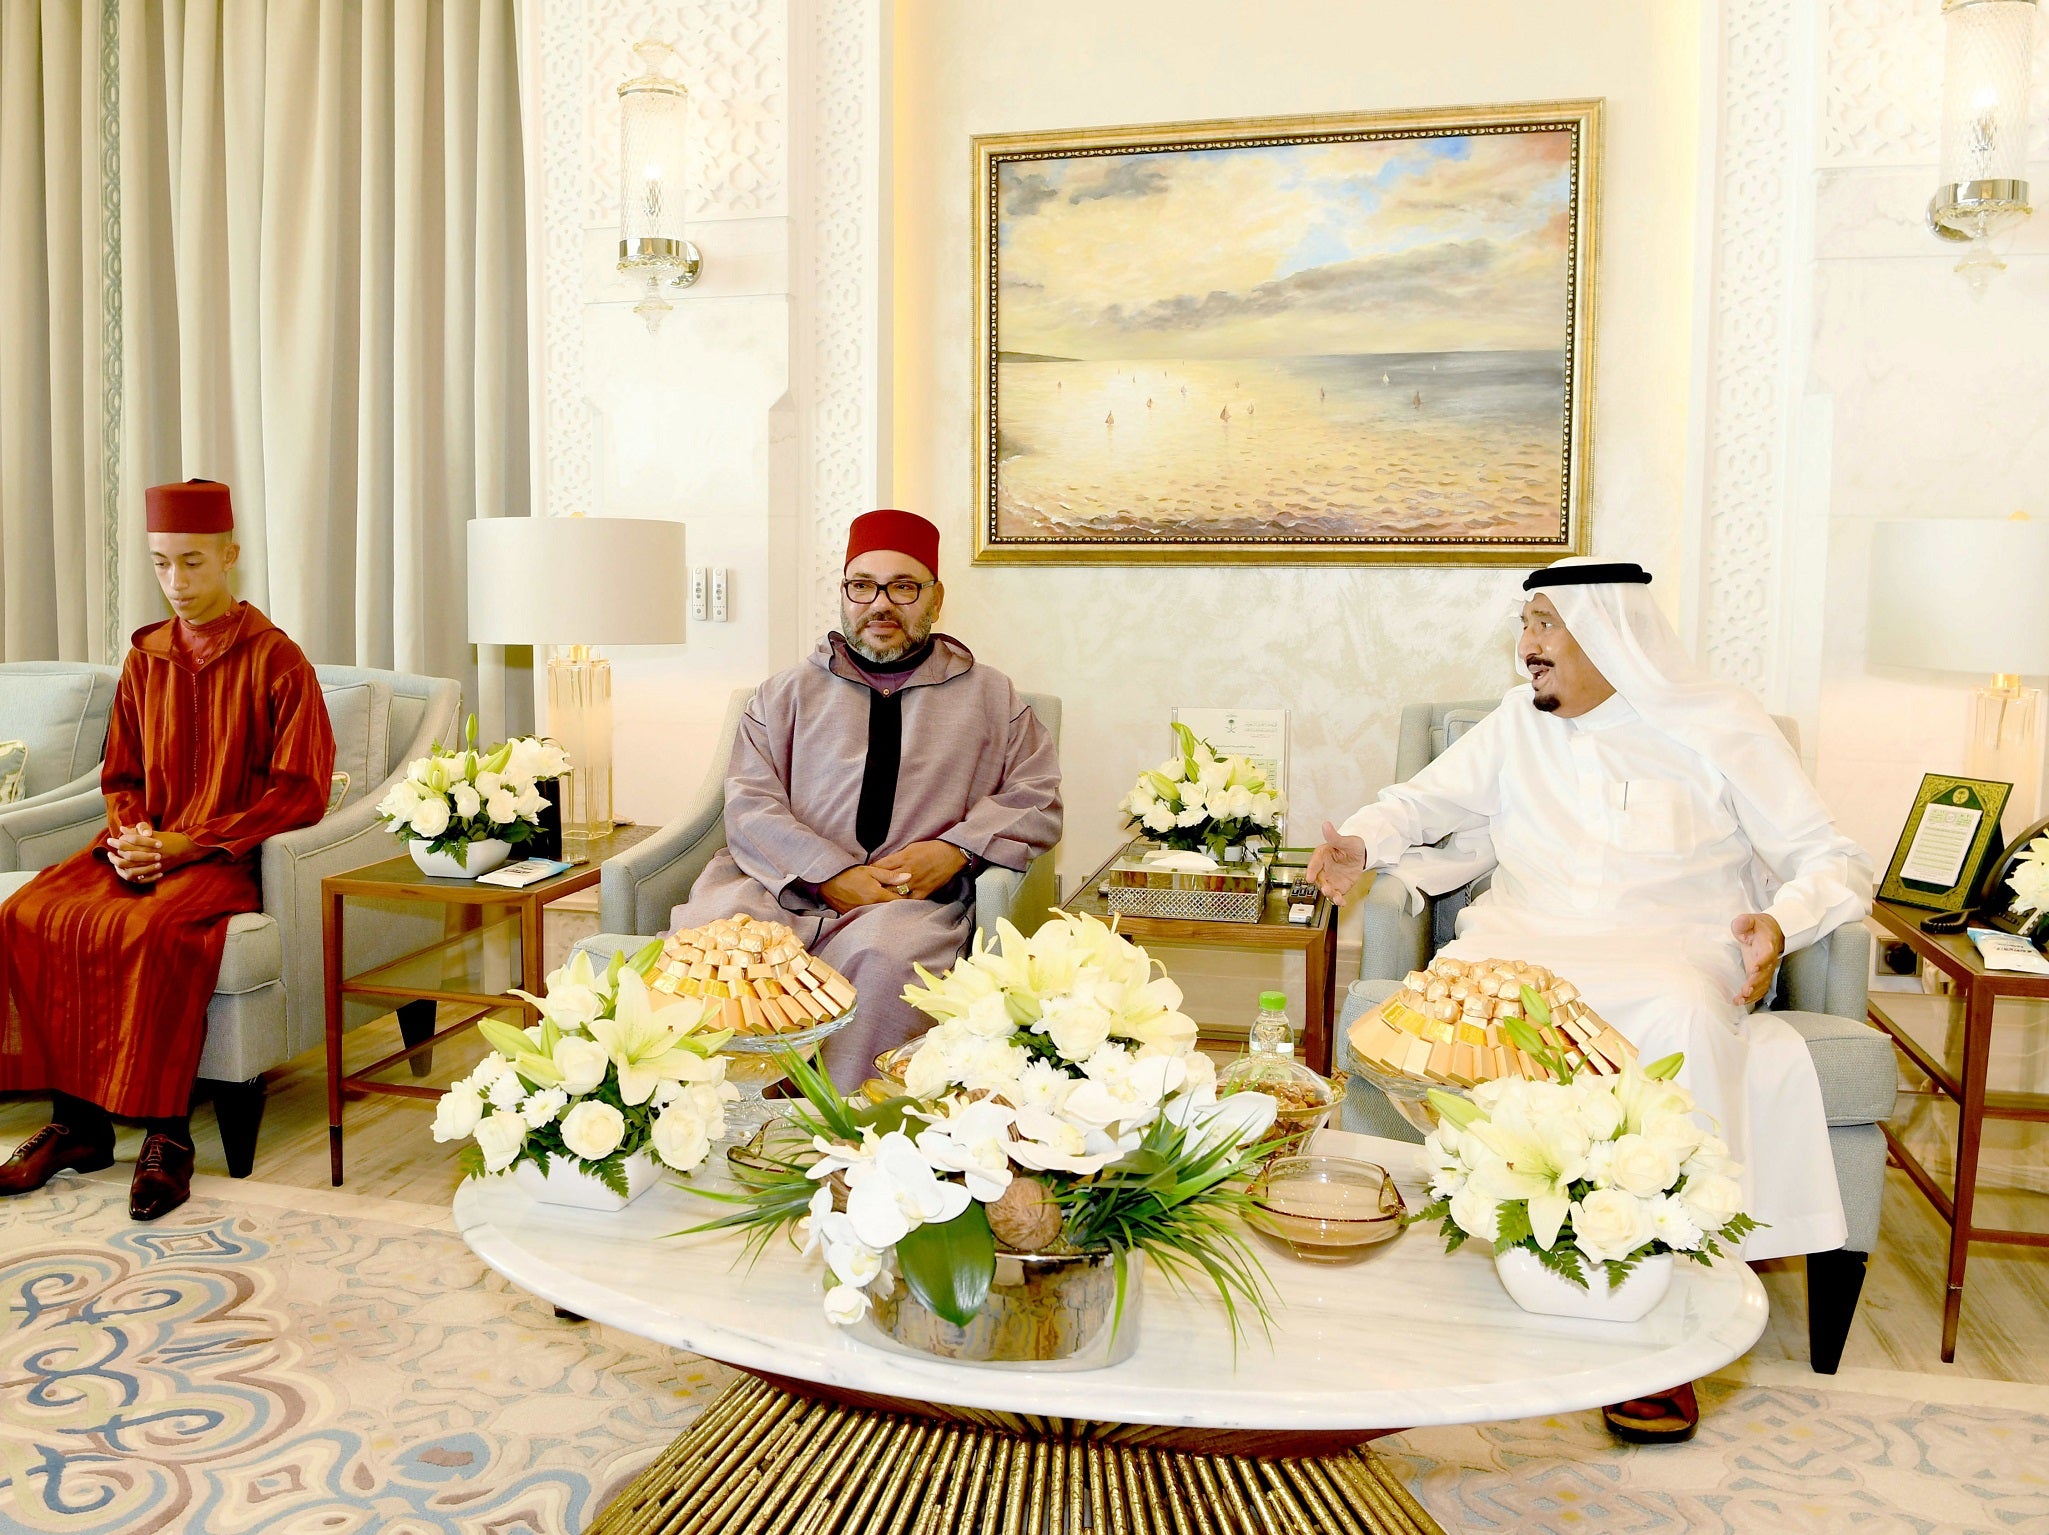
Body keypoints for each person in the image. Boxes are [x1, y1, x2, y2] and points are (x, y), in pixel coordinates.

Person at [1310, 556, 1872, 1443]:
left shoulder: (1720, 724)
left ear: (1607, 632)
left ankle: (1669, 1317)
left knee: (1680, 1012)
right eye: (1525, 627)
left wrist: (1780, 922)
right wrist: (1366, 841)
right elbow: (1420, 801)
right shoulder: (1513, 724)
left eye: (1542, 626)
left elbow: (1829, 855)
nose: (1526, 648)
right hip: (1522, 938)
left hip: (1670, 945)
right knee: (1449, 1012)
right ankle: (1472, 1271)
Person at [0, 480, 335, 1221]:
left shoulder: (278, 661)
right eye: (161, 565)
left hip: (226, 856)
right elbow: (120, 774)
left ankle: (167, 1136)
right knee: (30, 912)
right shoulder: (145, 657)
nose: (177, 584)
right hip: (143, 847)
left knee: (152, 930)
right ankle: (77, 1125)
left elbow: (300, 791)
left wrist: (193, 843)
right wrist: (132, 837)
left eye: (192, 563)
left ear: (230, 557)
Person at [669, 508, 1062, 1084]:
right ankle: (715, 1127)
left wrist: (956, 850)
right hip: (775, 889)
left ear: (935, 597)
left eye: (903, 587)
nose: (881, 604)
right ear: (846, 594)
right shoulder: (785, 693)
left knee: (887, 957)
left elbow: (1036, 795)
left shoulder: (991, 697)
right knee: (723, 949)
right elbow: (750, 804)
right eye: (863, 585)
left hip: (906, 902)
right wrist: (827, 873)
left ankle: (848, 1137)